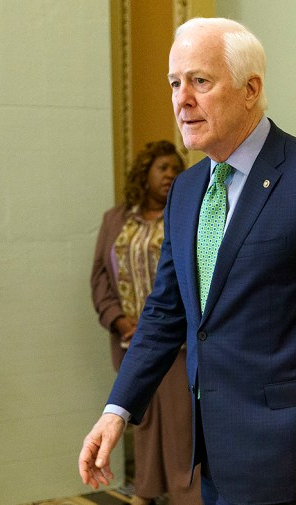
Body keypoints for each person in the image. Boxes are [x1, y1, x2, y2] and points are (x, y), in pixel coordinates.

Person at [79, 17, 296, 505]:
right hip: (212, 444)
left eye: (200, 81)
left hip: (287, 445)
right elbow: (167, 310)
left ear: (250, 89)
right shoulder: (188, 190)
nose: (181, 99)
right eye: (174, 83)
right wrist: (117, 409)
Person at [91, 139, 200, 505]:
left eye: (175, 169)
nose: (170, 175)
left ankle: (188, 496)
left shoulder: (188, 211)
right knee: (143, 421)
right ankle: (148, 490)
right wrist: (120, 321)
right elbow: (100, 279)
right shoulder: (116, 219)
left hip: (179, 342)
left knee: (182, 424)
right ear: (145, 173)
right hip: (130, 340)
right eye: (162, 168)